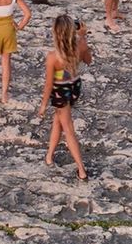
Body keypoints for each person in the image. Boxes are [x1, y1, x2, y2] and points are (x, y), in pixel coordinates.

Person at [37, 12, 94, 180]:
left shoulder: (53, 57)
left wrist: (43, 104)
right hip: (74, 87)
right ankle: (49, 156)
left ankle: (81, 169)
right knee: (58, 121)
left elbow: (48, 84)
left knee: (68, 130)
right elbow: (89, 61)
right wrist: (83, 38)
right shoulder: (79, 46)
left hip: (60, 92)